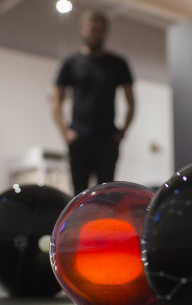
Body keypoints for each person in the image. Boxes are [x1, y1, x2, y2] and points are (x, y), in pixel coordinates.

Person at [52, 9, 135, 195]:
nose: (95, 34)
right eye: (92, 29)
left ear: (105, 32)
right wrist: (65, 131)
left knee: (106, 194)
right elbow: (56, 100)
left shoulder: (118, 63)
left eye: (100, 30)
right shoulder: (71, 63)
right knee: (79, 194)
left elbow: (131, 102)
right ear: (83, 30)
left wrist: (122, 131)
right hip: (79, 138)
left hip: (107, 138)